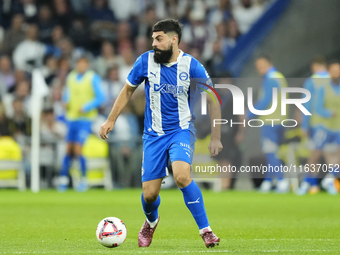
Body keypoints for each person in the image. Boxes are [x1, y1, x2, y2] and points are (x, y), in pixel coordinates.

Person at [99, 19, 222, 248]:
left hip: (181, 131)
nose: (153, 43)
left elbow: (213, 98)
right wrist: (110, 120)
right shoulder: (145, 61)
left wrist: (216, 137)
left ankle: (206, 230)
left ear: (174, 40)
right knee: (149, 195)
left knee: (182, 176)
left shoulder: (192, 66)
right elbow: (127, 90)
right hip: (153, 135)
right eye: (152, 39)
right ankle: (151, 221)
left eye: (159, 38)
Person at [58, 57, 105, 192]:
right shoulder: (71, 77)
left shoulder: (93, 78)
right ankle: (63, 179)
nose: (81, 66)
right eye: (79, 63)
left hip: (85, 119)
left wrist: (87, 106)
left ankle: (83, 179)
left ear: (87, 64)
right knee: (68, 149)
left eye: (84, 63)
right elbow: (67, 93)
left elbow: (101, 97)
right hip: (71, 118)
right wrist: (65, 101)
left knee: (78, 149)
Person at [248, 55, 289, 193]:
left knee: (270, 152)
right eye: (258, 66)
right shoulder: (279, 76)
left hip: (270, 121)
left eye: (262, 65)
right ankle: (268, 181)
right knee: (272, 151)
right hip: (280, 119)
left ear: (269, 63)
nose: (260, 69)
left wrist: (248, 115)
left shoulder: (270, 78)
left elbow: (265, 100)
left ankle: (282, 181)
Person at [297, 56, 330, 195]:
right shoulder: (333, 79)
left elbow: (307, 105)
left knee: (315, 154)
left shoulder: (312, 81)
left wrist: (305, 126)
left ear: (314, 66)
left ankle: (308, 182)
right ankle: (323, 182)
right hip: (334, 125)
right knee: (331, 155)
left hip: (318, 124)